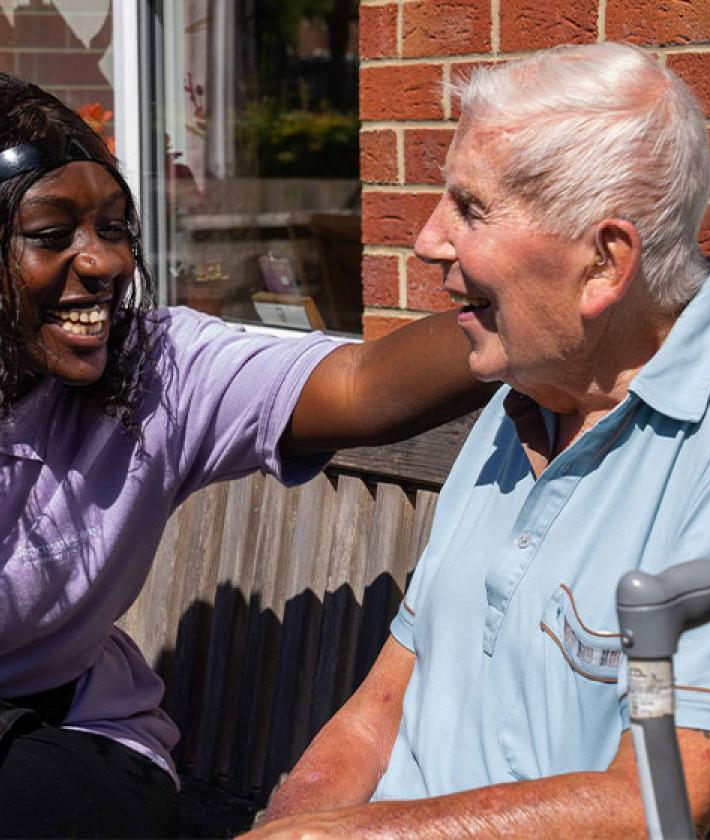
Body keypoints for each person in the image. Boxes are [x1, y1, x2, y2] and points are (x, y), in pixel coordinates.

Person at [248, 42, 710, 838]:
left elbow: (658, 802)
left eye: (471, 208)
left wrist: (334, 838)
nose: (427, 239)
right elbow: (378, 714)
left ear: (604, 263)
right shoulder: (530, 388)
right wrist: (280, 826)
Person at [0, 73, 495, 837]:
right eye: (53, 235)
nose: (102, 263)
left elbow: (364, 385)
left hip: (74, 744)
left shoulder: (154, 371)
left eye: (115, 227)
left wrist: (551, 303)